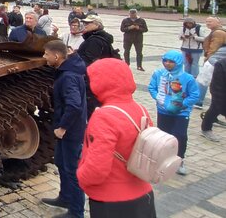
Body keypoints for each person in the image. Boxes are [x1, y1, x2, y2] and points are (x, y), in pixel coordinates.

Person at [77, 59, 157, 218]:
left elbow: (97, 169)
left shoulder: (104, 116)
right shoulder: (140, 109)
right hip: (142, 192)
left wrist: (81, 176)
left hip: (112, 200)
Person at [40, 40, 87, 218]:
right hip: (66, 129)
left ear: (57, 56)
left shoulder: (68, 77)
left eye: (46, 54)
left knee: (72, 170)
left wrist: (63, 127)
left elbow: (74, 105)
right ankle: (65, 197)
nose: (44, 57)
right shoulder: (67, 70)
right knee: (61, 162)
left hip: (71, 131)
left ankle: (76, 212)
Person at [148, 50, 199, 176]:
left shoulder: (187, 78)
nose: (167, 64)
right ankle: (163, 159)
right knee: (164, 137)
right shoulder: (159, 74)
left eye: (171, 61)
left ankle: (180, 159)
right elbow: (152, 87)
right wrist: (159, 99)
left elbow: (194, 95)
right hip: (163, 111)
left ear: (178, 62)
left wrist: (182, 104)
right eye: (165, 60)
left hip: (181, 113)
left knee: (180, 135)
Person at [198, 16, 226, 107]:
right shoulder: (215, 31)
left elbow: (214, 48)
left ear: (218, 22)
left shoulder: (218, 33)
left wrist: (207, 59)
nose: (208, 23)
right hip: (216, 61)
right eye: (207, 21)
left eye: (210, 21)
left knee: (204, 81)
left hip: (214, 61)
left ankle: (199, 101)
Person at [201, 57, 226, 142]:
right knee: (215, 108)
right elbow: (217, 84)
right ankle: (206, 128)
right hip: (220, 91)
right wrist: (219, 99)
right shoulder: (221, 64)